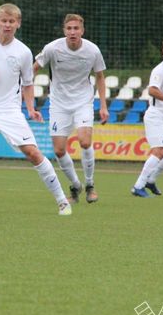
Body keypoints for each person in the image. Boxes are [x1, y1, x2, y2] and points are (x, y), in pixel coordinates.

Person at [0, 3, 72, 216]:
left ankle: (62, 200)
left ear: (18, 24)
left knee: (33, 153)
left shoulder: (23, 52)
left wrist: (30, 108)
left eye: (11, 22)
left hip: (9, 111)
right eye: (4, 21)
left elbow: (27, 83)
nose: (7, 25)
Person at [33, 13, 108, 204]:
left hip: (83, 101)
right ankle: (75, 185)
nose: (73, 32)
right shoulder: (52, 48)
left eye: (76, 28)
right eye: (69, 28)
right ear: (64, 30)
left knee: (84, 141)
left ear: (82, 30)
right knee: (58, 150)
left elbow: (100, 77)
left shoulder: (92, 51)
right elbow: (34, 68)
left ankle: (90, 184)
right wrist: (23, 90)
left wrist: (103, 105)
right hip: (59, 104)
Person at [131, 36, 163, 197]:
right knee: (159, 151)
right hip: (155, 116)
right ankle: (138, 186)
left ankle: (151, 180)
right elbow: (152, 90)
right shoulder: (159, 70)